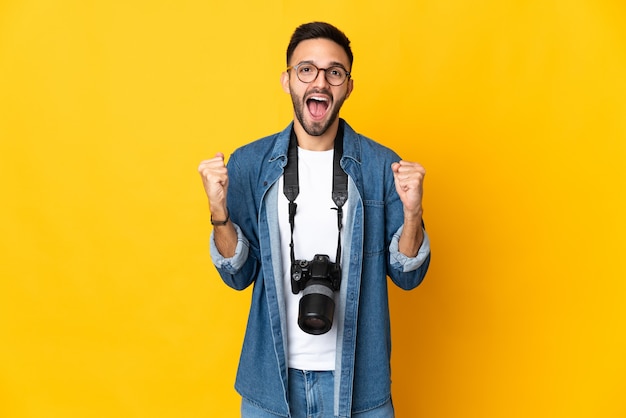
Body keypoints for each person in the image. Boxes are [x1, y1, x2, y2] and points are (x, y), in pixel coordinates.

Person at [198, 21, 430, 418]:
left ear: (348, 86)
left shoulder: (380, 166)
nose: (319, 82)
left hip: (361, 385)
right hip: (270, 385)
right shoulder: (251, 164)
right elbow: (238, 275)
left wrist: (413, 214)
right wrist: (219, 214)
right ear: (287, 80)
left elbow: (408, 276)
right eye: (306, 69)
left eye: (334, 72)